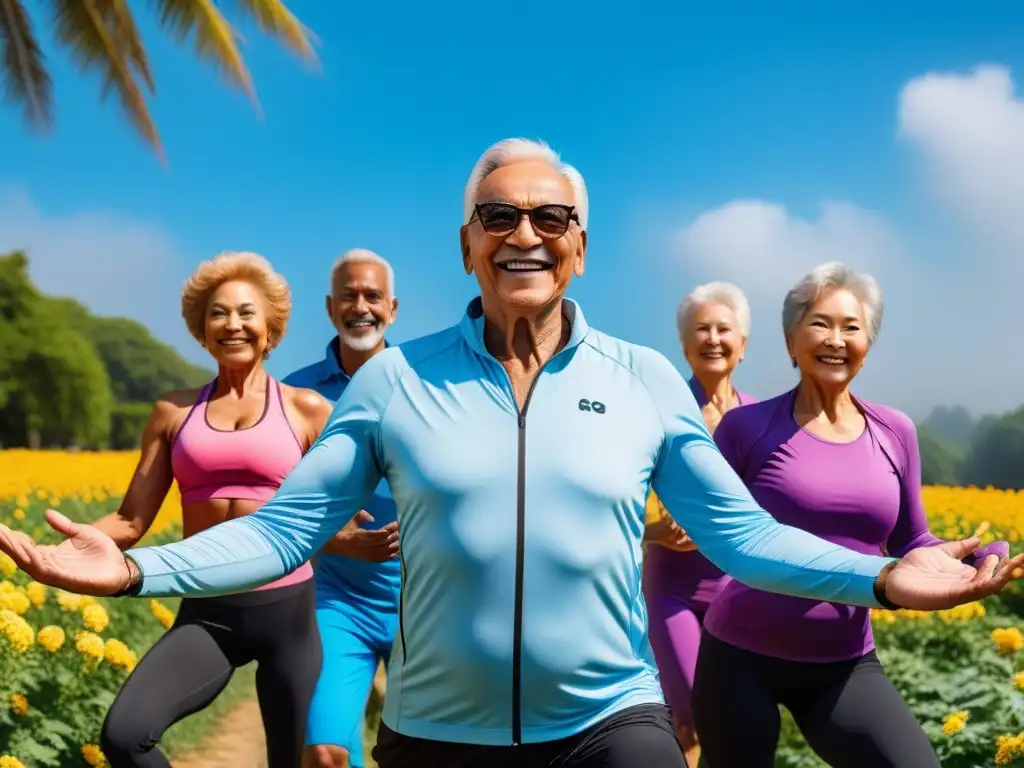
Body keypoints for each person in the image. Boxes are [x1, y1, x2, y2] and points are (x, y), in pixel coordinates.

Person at [1, 140, 1021, 768]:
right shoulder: (396, 383)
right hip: (440, 735)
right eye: (499, 216)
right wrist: (137, 567)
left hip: (610, 724)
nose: (523, 232)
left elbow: (742, 538)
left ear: (580, 245)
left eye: (550, 217)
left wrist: (881, 576)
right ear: (466, 246)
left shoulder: (641, 381)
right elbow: (283, 531)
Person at [690, 261, 1011, 768]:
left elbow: (912, 540)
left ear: (868, 344)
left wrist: (971, 560)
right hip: (739, 658)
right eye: (819, 323)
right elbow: (718, 534)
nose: (835, 339)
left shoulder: (895, 432)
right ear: (792, 339)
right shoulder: (744, 427)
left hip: (843, 663)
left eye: (851, 327)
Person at [93, 252, 333, 768]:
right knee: (124, 735)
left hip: (287, 613)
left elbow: (337, 513)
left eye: (246, 312)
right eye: (218, 313)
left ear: (271, 326)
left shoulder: (307, 409)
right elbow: (130, 521)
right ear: (202, 330)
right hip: (207, 612)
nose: (233, 324)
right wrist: (61, 549)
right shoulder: (173, 413)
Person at [282, 249, 401, 768]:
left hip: (426, 601)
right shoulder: (292, 393)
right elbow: (279, 503)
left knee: (435, 754)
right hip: (337, 599)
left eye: (372, 296)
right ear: (330, 308)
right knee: (325, 753)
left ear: (392, 308)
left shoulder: (425, 381)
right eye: (349, 296)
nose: (361, 306)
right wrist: (334, 538)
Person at [642, 282, 757, 766]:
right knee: (689, 713)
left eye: (723, 329)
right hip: (672, 588)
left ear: (743, 345)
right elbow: (614, 494)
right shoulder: (658, 412)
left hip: (740, 588)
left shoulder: (761, 418)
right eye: (700, 330)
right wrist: (654, 532)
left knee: (737, 719)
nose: (712, 339)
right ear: (685, 346)